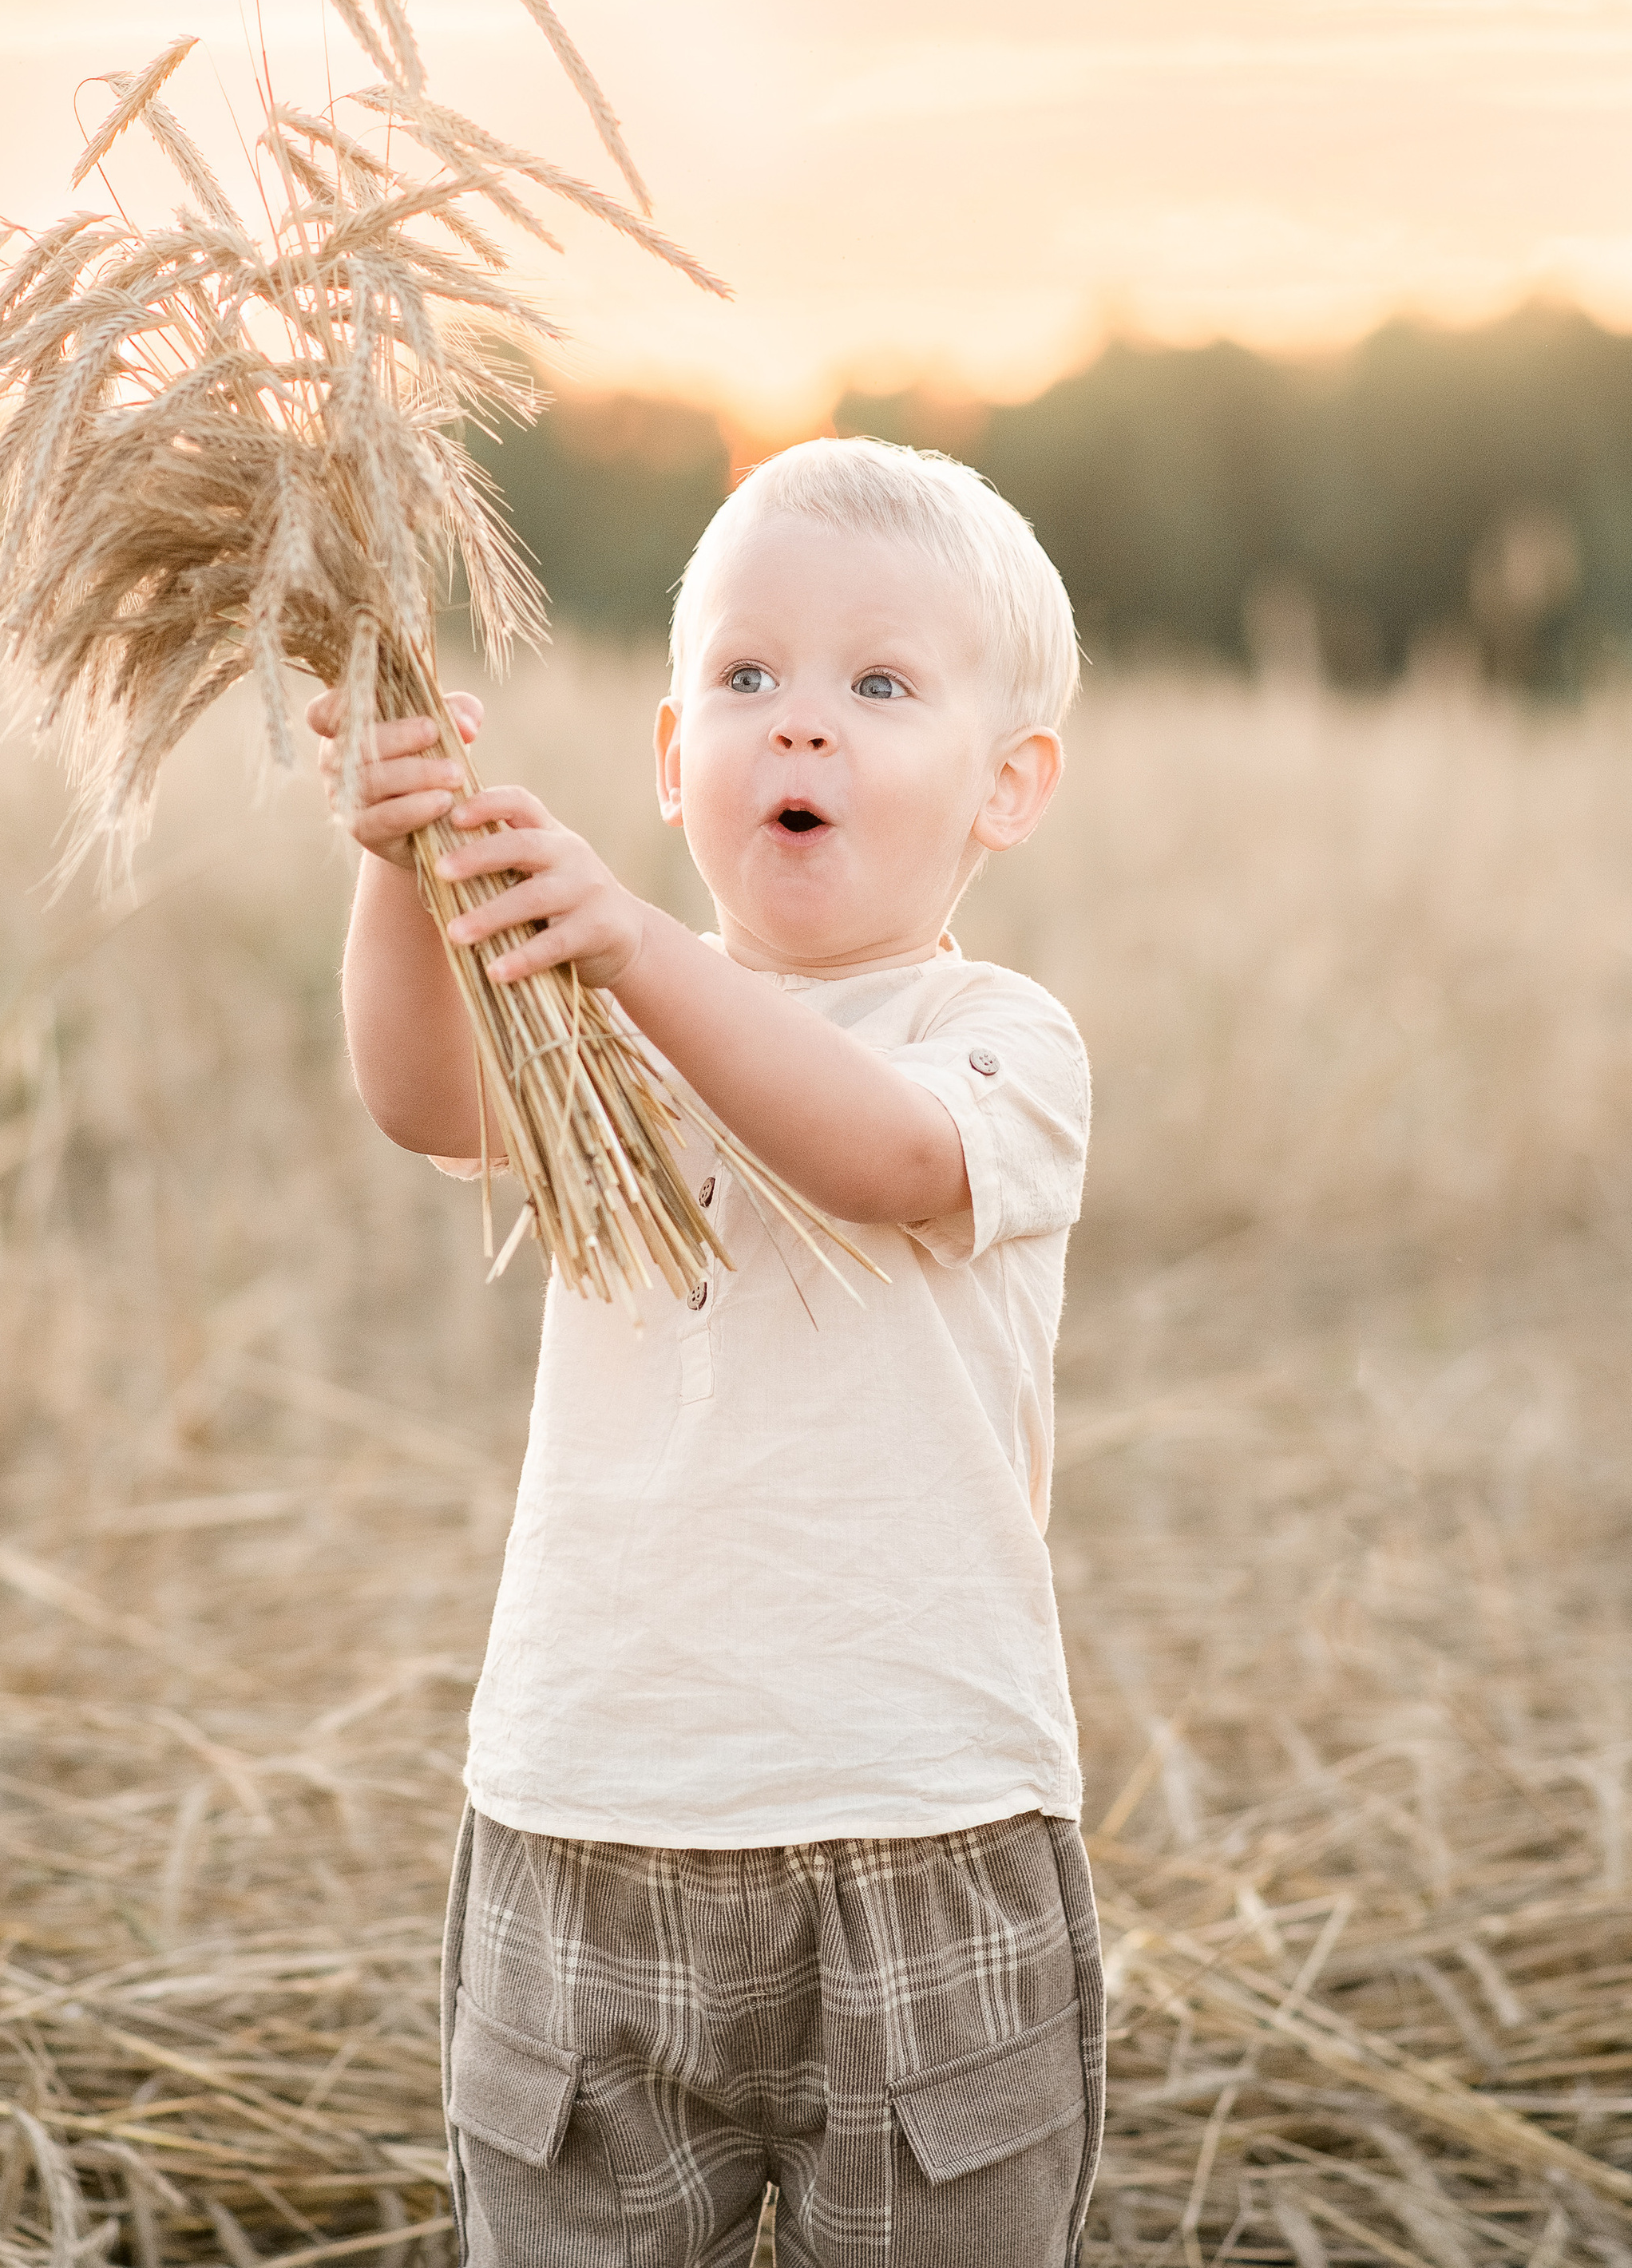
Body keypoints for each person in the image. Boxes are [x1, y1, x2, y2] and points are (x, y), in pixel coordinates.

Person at [307, 436, 1101, 2268]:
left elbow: (882, 1159)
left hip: (921, 1828)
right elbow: (425, 1096)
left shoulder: (996, 1040)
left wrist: (642, 950)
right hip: (587, 1811)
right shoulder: (604, 1036)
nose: (797, 726)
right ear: (673, 763)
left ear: (1007, 787)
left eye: (877, 684)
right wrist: (400, 874)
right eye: (745, 679)